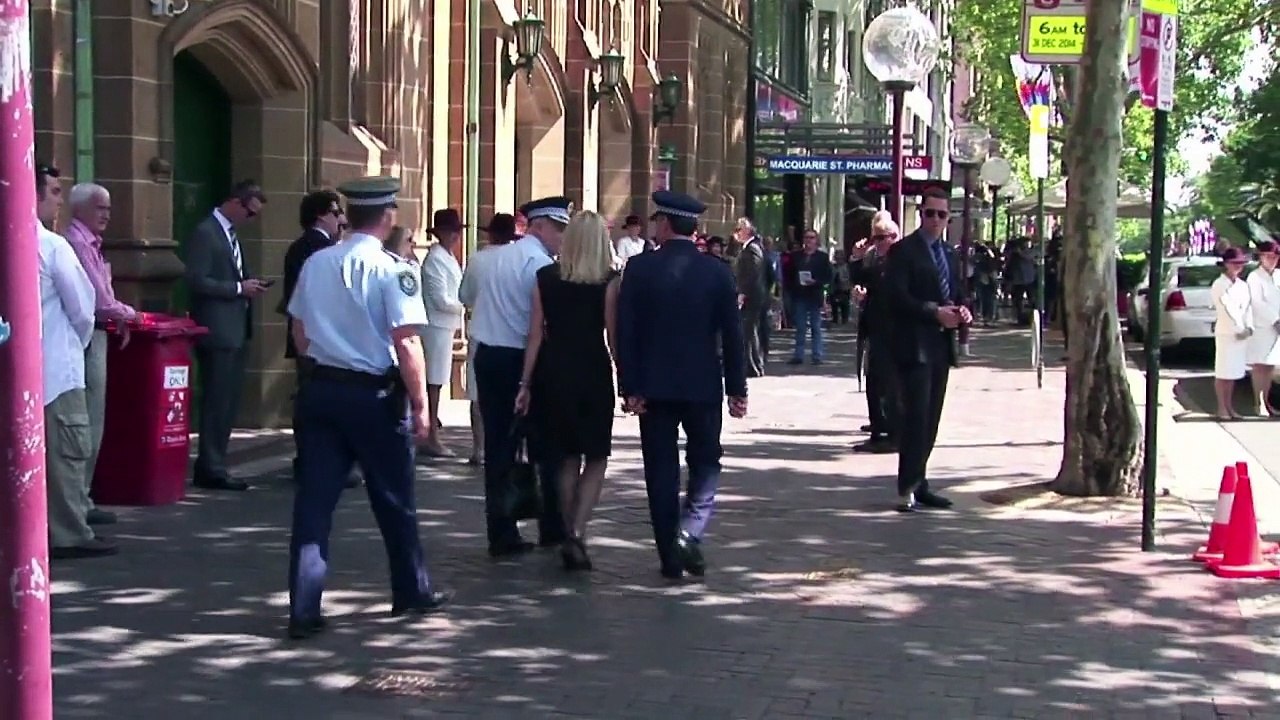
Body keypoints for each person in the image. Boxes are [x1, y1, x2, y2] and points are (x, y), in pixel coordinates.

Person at [285, 176, 450, 640]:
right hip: (374, 397)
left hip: (321, 390)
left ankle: (303, 604)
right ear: (388, 215)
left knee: (314, 502)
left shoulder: (317, 263)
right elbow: (408, 341)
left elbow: (299, 330)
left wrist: (320, 362)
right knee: (394, 497)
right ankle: (410, 589)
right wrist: (421, 405)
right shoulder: (392, 269)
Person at [617, 190, 748, 580]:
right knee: (706, 460)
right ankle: (690, 531)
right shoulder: (718, 271)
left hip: (653, 387)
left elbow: (627, 332)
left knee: (660, 470)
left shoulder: (640, 269)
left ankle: (669, 555)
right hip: (702, 385)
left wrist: (630, 386)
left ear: (665, 224)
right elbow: (733, 334)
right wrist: (737, 388)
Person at [514, 211, 620, 571]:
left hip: (552, 371)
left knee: (565, 457)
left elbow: (534, 334)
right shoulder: (608, 281)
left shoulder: (545, 278)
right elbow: (612, 335)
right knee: (596, 455)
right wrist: (628, 380)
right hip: (591, 370)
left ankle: (566, 528)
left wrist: (525, 383)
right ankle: (577, 529)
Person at [468, 197, 571, 558]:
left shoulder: (495, 258)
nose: (562, 236)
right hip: (524, 360)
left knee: (498, 446)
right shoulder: (541, 266)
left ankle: (501, 529)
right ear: (538, 226)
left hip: (489, 355)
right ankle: (551, 524)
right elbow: (540, 326)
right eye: (558, 229)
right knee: (546, 446)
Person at [37, 163, 117, 559]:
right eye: (53, 191)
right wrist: (78, 343)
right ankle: (68, 532)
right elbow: (84, 309)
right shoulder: (53, 246)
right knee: (68, 450)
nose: (59, 200)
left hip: (28, 368)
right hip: (56, 368)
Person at [883, 189, 968, 512]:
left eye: (941, 215)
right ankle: (907, 485)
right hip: (913, 345)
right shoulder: (904, 251)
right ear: (921, 214)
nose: (935, 220)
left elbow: (957, 292)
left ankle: (921, 482)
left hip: (940, 347)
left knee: (931, 418)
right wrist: (933, 312)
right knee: (915, 417)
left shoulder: (948, 252)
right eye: (930, 213)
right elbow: (897, 297)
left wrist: (961, 312)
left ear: (948, 218)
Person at [184, 180, 270, 492]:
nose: (251, 219)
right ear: (234, 202)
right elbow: (196, 280)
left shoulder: (230, 235)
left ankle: (216, 462)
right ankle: (211, 465)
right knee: (217, 400)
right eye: (250, 212)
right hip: (217, 329)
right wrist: (237, 288)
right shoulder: (207, 233)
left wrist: (247, 284)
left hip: (234, 327)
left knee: (228, 401)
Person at [64, 182, 133, 528]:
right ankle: (79, 499)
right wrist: (130, 314)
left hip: (99, 332)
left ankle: (83, 496)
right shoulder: (76, 243)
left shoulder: (92, 243)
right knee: (88, 420)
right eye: (99, 207)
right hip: (88, 337)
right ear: (79, 209)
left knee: (95, 418)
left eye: (108, 208)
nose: (106, 214)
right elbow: (96, 299)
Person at [280, 189, 347, 482]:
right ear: (321, 215)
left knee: (312, 399)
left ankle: (312, 459)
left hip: (309, 335)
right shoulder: (317, 249)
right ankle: (315, 461)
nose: (341, 220)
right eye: (336, 214)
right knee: (316, 402)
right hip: (316, 338)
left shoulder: (304, 247)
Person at [460, 213, 521, 465]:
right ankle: (516, 448)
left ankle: (479, 447)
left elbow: (464, 295)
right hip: (515, 334)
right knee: (515, 394)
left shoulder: (477, 260)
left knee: (477, 393)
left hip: (483, 330)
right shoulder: (520, 259)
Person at [852, 212, 901, 455]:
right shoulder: (876, 258)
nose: (876, 243)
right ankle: (879, 429)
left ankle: (889, 432)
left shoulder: (897, 260)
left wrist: (868, 293)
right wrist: (857, 259)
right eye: (874, 238)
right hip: (875, 327)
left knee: (886, 383)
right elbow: (863, 280)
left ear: (893, 237)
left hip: (891, 331)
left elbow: (888, 291)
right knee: (873, 380)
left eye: (881, 238)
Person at [421, 209, 467, 457]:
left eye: (456, 232)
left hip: (445, 325)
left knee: (437, 380)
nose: (455, 236)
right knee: (434, 381)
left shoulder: (448, 257)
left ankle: (430, 431)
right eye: (451, 232)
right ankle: (430, 436)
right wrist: (466, 304)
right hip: (436, 325)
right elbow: (440, 299)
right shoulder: (435, 259)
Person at [1211, 247, 1253, 420]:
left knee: (1234, 373)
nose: (1238, 266)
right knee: (1223, 372)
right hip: (1227, 333)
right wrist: (1239, 329)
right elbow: (1226, 308)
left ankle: (1230, 407)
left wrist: (1249, 327)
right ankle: (1221, 407)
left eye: (1240, 263)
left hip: (1241, 334)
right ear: (1226, 264)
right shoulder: (1219, 285)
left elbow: (1248, 308)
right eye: (1234, 263)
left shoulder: (1243, 286)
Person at [785, 229, 833, 365]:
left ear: (816, 240)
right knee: (800, 327)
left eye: (811, 238)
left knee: (815, 326)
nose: (808, 240)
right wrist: (791, 288)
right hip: (799, 295)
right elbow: (789, 274)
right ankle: (798, 355)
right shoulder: (796, 256)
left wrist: (816, 281)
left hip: (815, 295)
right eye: (806, 238)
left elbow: (828, 276)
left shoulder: (822, 257)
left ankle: (817, 355)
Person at [1246, 241, 1280, 416]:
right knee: (1259, 366)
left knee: (1269, 367)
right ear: (1261, 257)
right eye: (1267, 257)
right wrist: (1275, 320)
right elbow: (1257, 302)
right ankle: (1258, 402)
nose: (1271, 260)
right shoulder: (1254, 277)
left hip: (1277, 329)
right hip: (1262, 326)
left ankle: (1267, 401)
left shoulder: (1279, 275)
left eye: (1274, 257)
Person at [733, 217, 767, 377]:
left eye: (738, 230)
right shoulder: (748, 248)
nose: (736, 234)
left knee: (748, 331)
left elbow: (753, 272)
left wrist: (743, 292)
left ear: (746, 231)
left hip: (752, 296)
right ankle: (754, 366)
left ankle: (751, 366)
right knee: (750, 332)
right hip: (752, 295)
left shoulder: (753, 248)